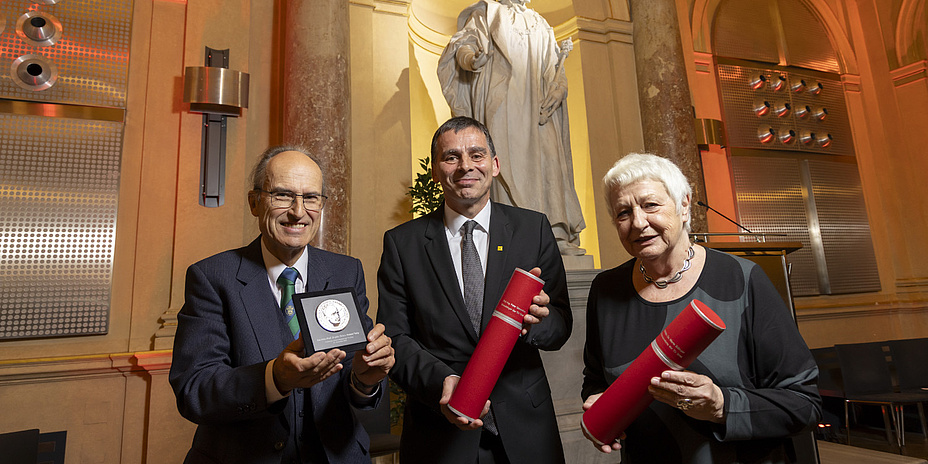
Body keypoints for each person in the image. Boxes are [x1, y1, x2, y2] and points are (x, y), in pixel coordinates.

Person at [581, 153, 822, 463]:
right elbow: (596, 380)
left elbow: (805, 404)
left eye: (650, 205)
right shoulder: (606, 290)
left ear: (684, 205)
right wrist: (599, 409)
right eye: (623, 212)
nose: (638, 223)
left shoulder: (742, 279)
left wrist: (721, 405)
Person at [169, 146, 395, 464]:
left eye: (311, 197)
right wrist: (274, 379)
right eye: (283, 195)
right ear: (254, 202)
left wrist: (365, 379)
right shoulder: (212, 277)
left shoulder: (346, 271)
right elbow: (195, 390)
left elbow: (353, 376)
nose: (298, 212)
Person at [377, 116, 571, 463]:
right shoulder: (402, 244)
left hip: (526, 429)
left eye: (476, 154)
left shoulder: (533, 228)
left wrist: (539, 323)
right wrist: (444, 383)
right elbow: (395, 338)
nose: (465, 165)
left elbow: (561, 323)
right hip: (439, 432)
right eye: (451, 157)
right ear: (435, 171)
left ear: (494, 165)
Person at [438, 0, 586, 255]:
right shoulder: (487, 13)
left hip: (539, 107)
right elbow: (463, 46)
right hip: (501, 104)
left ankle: (555, 233)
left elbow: (555, 68)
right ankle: (514, 237)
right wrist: (472, 59)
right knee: (503, 164)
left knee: (549, 162)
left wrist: (559, 88)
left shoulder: (540, 22)